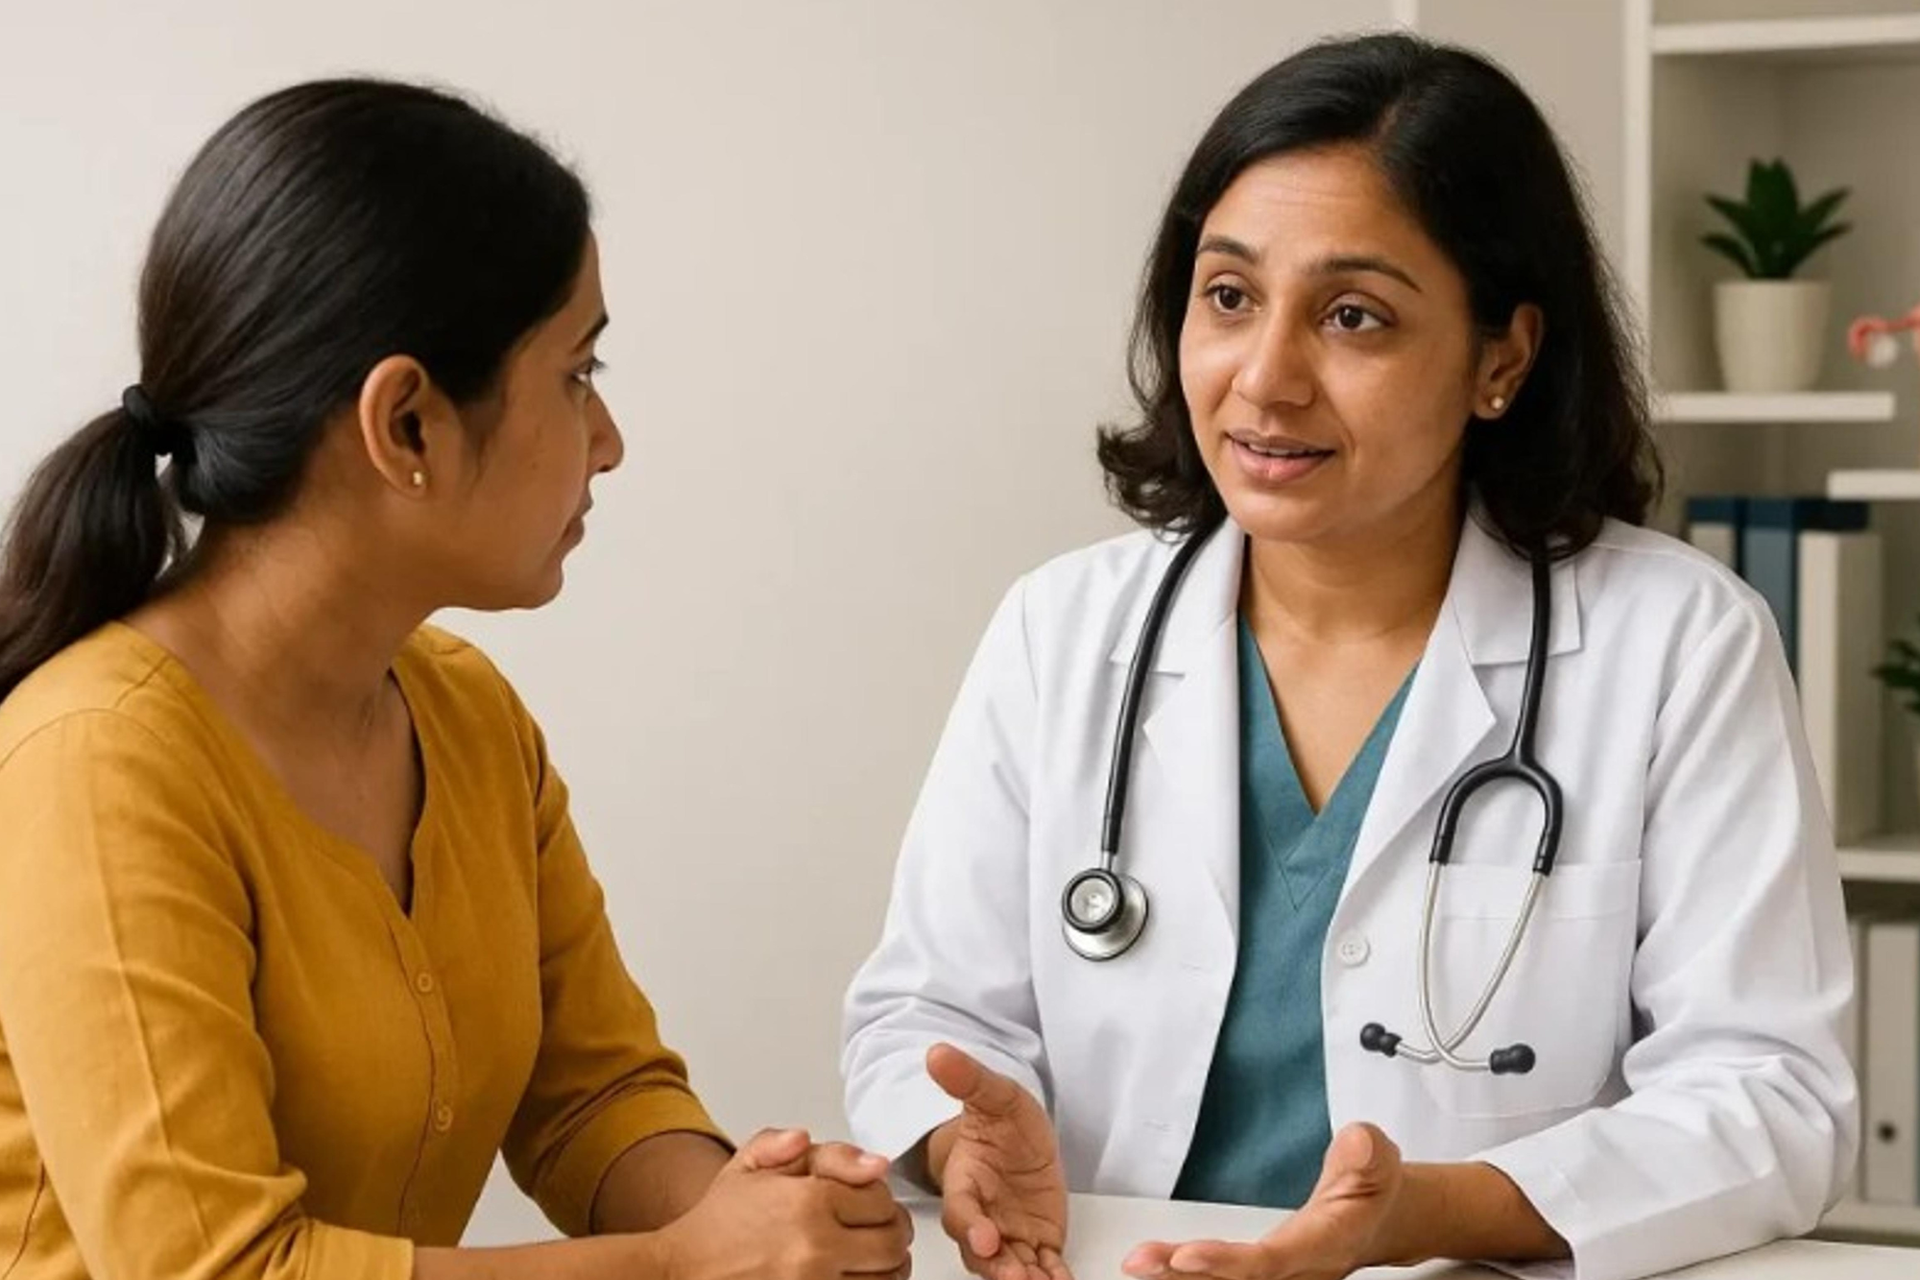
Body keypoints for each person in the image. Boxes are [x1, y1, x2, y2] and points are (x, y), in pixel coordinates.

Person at [842, 32, 1856, 1280]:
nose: (1265, 379)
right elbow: (925, 1015)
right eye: (1229, 296)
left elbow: (1772, 1095)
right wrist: (961, 1135)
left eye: (1353, 316)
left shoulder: (1677, 645)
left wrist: (1430, 1212)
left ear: (1504, 357)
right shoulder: (1064, 634)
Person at [0, 79, 910, 1280]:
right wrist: (685, 1264)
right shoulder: (95, 760)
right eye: (578, 374)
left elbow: (593, 1095)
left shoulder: (467, 713)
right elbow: (216, 1271)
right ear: (408, 425)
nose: (611, 438)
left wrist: (776, 1213)